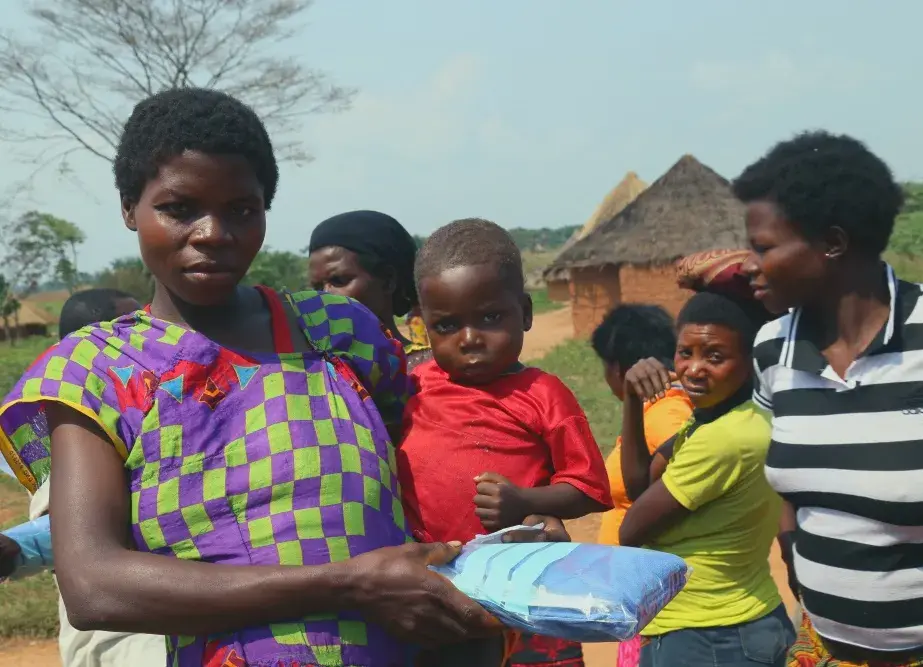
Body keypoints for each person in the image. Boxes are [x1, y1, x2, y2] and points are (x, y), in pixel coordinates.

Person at [0, 88, 503, 667]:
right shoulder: (97, 370)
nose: (214, 232)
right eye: (180, 207)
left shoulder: (339, 333)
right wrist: (349, 584)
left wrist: (512, 526)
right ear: (128, 207)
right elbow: (94, 585)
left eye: (242, 209)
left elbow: (420, 470)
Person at [736, 131, 923, 666]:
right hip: (821, 651)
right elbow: (795, 483)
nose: (749, 263)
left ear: (833, 243)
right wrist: (795, 553)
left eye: (764, 248)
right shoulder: (774, 349)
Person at [398, 218, 614, 667]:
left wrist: (523, 501)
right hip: (421, 577)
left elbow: (589, 488)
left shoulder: (544, 395)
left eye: (491, 317)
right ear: (425, 328)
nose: (470, 338)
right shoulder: (411, 387)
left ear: (527, 313)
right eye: (447, 326)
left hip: (506, 578)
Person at [619, 291, 794, 667]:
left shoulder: (725, 439)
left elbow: (631, 529)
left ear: (750, 362)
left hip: (710, 634)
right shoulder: (715, 420)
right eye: (685, 353)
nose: (694, 369)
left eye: (715, 357)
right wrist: (632, 400)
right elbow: (639, 486)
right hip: (725, 624)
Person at [591, 304, 693, 667]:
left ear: (618, 368)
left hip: (666, 608)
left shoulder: (666, 414)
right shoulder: (649, 411)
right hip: (647, 602)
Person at [308, 210, 433, 372]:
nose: (323, 297)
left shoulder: (430, 372)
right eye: (317, 287)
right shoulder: (316, 373)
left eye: (338, 281)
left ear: (388, 281)